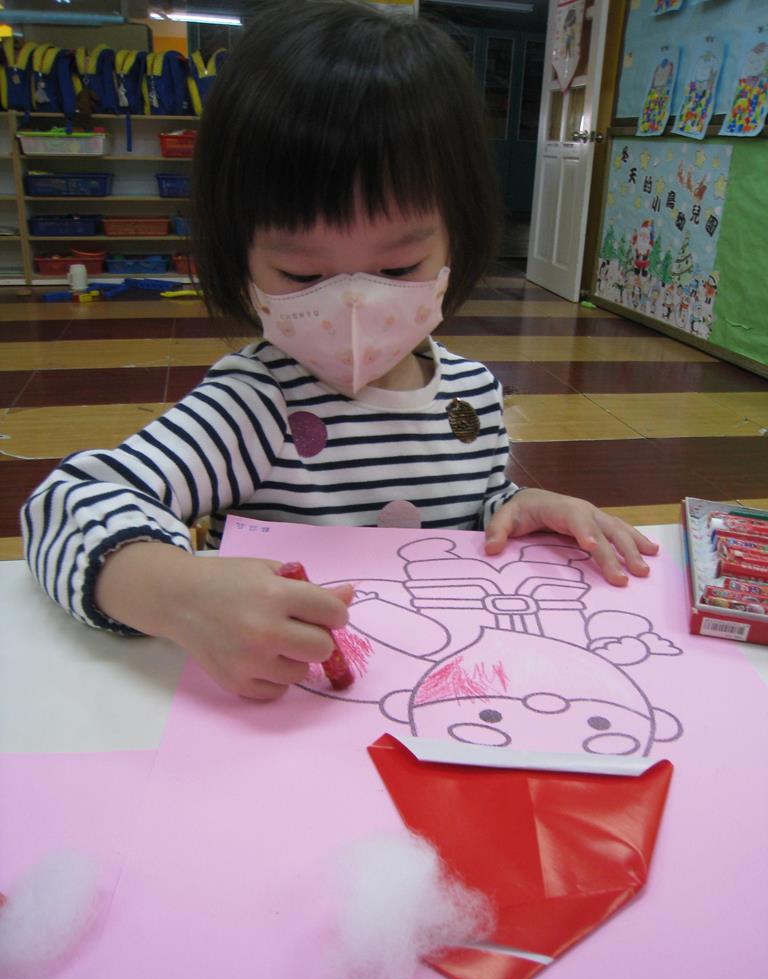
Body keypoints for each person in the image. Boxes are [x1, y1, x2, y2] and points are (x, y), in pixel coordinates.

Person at [22, 0, 658, 701]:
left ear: (461, 237)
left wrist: (519, 503)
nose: (355, 307)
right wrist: (181, 595)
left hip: (441, 698)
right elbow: (65, 504)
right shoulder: (257, 404)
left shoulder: (471, 395)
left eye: (397, 268)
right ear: (238, 258)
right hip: (282, 718)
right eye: (302, 275)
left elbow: (463, 511)